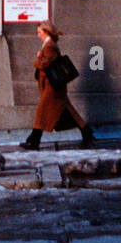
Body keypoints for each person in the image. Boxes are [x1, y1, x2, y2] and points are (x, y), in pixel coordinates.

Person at [20, 20, 94, 150]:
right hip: (53, 87)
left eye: (39, 32)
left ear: (46, 32)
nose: (37, 35)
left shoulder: (49, 46)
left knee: (41, 112)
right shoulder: (49, 45)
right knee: (67, 111)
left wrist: (38, 58)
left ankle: (34, 141)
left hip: (52, 87)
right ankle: (86, 132)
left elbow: (44, 64)